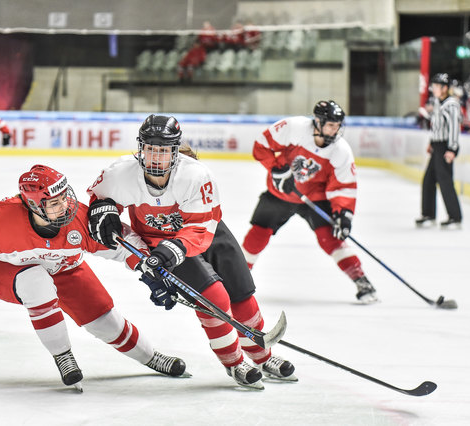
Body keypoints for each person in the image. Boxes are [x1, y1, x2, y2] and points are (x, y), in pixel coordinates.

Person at [0, 164, 187, 391]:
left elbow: (123, 244)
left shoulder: (81, 220)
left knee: (105, 322)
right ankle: (63, 356)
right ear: (33, 205)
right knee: (36, 282)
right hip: (5, 271)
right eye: (54, 203)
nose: (65, 206)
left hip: (65, 270)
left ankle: (151, 357)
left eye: (65, 197)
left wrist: (147, 267)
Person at [86, 114, 296, 390]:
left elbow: (201, 226)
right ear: (141, 148)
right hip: (157, 242)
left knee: (242, 293)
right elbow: (99, 199)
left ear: (175, 151)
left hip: (207, 231)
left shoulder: (195, 175)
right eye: (151, 150)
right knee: (214, 299)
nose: (156, 158)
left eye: (163, 150)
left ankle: (262, 356)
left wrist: (171, 251)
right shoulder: (121, 173)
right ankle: (233, 362)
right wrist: (104, 209)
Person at [241, 100, 378, 304]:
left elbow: (343, 186)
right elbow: (261, 146)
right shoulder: (293, 128)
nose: (335, 130)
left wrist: (343, 215)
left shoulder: (341, 151)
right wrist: (279, 169)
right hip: (282, 194)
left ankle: (361, 280)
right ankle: (237, 278)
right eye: (331, 125)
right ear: (318, 122)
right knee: (258, 233)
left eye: (338, 125)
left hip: (315, 198)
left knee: (331, 238)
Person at [415, 73, 463, 228]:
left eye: (436, 86)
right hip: (437, 145)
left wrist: (452, 149)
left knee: (445, 181)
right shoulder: (437, 102)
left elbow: (454, 128)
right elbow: (437, 126)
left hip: (445, 146)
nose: (433, 89)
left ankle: (455, 218)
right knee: (428, 180)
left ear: (444, 88)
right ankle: (428, 214)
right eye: (433, 86)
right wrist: (431, 142)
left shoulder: (451, 104)